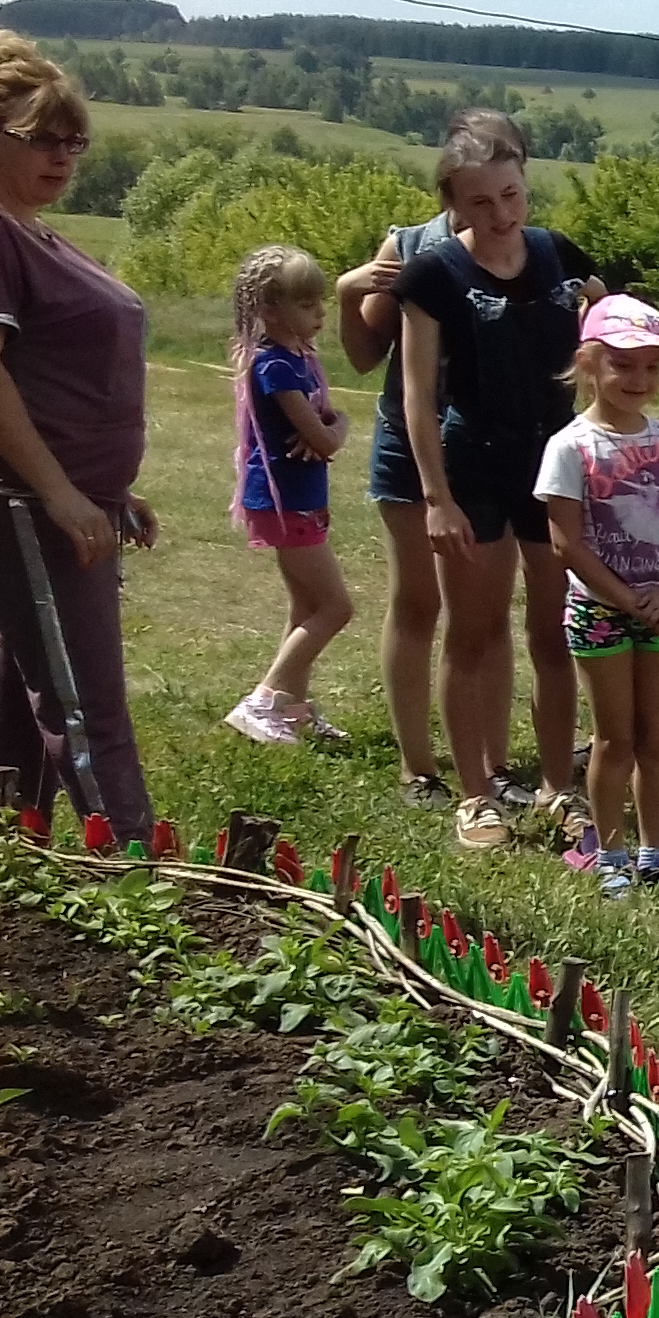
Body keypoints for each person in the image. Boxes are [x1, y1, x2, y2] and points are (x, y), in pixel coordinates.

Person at [394, 121, 600, 849]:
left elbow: (610, 328)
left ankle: (556, 788)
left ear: (526, 183)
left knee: (552, 634)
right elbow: (418, 396)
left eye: (511, 194)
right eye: (480, 202)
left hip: (553, 472)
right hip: (472, 465)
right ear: (453, 203)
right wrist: (435, 497)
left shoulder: (558, 257)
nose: (502, 215)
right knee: (473, 634)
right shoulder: (433, 275)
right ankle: (476, 797)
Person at [0, 32, 156, 844]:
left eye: (73, 139)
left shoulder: (33, 227)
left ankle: (7, 853)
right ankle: (142, 887)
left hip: (69, 500)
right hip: (25, 504)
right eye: (40, 138)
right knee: (89, 707)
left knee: (25, 698)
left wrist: (111, 490)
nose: (62, 155)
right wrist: (59, 491)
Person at [334, 109, 539, 809]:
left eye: (510, 171)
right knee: (418, 600)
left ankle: (493, 761)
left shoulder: (530, 251)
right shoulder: (412, 246)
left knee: (485, 612)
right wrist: (348, 290)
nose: (498, 204)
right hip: (411, 441)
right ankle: (417, 766)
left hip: (494, 451)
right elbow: (365, 356)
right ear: (453, 183)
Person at [536, 298, 659, 901]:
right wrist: (626, 600)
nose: (637, 380)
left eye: (649, 368)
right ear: (589, 363)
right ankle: (609, 853)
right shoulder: (571, 445)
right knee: (615, 737)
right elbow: (565, 542)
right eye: (622, 366)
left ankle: (655, 855)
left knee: (656, 736)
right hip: (599, 613)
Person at [221, 246, 355, 747]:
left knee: (305, 607)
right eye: (306, 305)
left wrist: (332, 425)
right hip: (283, 502)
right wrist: (338, 426)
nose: (319, 314)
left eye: (320, 303)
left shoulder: (298, 360)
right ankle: (263, 700)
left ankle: (291, 709)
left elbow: (322, 429)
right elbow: (324, 439)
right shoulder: (274, 366)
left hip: (302, 498)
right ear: (268, 309)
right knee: (336, 608)